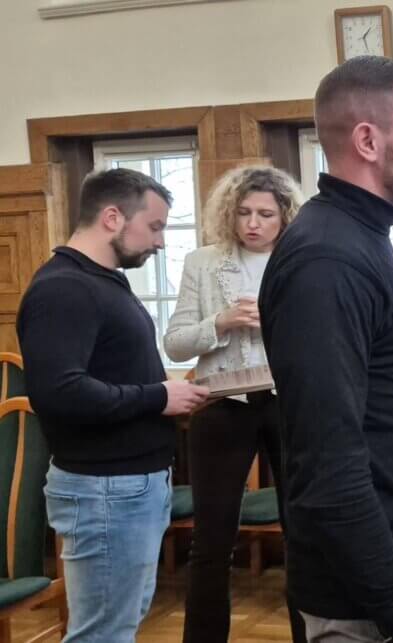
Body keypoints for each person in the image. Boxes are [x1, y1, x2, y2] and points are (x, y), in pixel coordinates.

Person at [258, 56, 393, 643]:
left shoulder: (361, 234)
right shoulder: (327, 259)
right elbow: (329, 469)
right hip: (367, 603)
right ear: (368, 141)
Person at [17, 168, 210, 642]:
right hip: (105, 490)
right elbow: (59, 393)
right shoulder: (64, 288)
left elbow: (108, 374)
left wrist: (163, 392)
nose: (160, 242)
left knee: (116, 625)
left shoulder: (100, 281)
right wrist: (160, 396)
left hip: (128, 486)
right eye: (155, 226)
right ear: (111, 217)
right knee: (102, 633)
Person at [163, 164, 306, 642]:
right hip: (221, 406)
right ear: (230, 213)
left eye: (266, 214)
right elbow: (175, 345)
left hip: (291, 405)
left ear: (285, 216)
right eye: (244, 212)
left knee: (304, 533)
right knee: (211, 538)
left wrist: (279, 324)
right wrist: (220, 322)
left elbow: (327, 337)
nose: (253, 223)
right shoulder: (202, 263)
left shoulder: (302, 259)